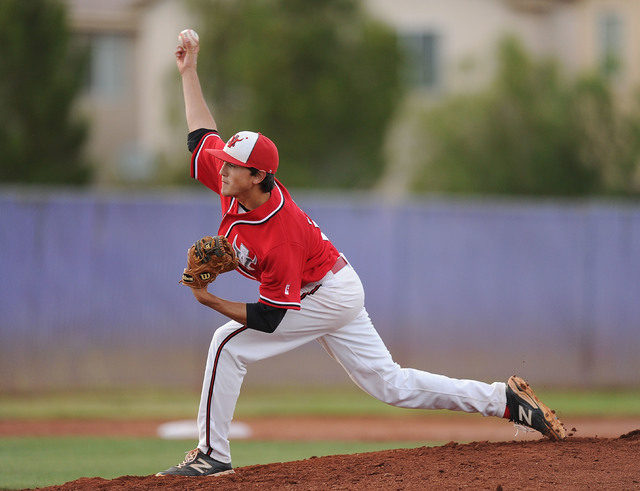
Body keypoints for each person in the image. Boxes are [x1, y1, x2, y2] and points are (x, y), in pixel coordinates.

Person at [156, 32, 566, 478]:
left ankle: (212, 455)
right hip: (335, 284)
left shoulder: (282, 233)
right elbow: (201, 138)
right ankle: (503, 401)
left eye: (234, 164)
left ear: (258, 176)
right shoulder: (235, 182)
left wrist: (209, 299)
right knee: (390, 385)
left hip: (325, 293)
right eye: (227, 161)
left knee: (226, 345)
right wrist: (189, 70)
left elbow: (272, 319)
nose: (223, 167)